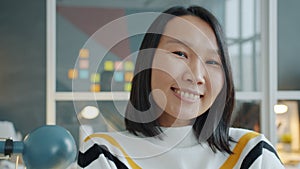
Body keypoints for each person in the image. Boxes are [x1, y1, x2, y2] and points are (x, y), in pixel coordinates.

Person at [77, 6, 284, 169]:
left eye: (212, 62)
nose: (196, 76)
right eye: (180, 53)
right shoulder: (105, 152)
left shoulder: (252, 153)